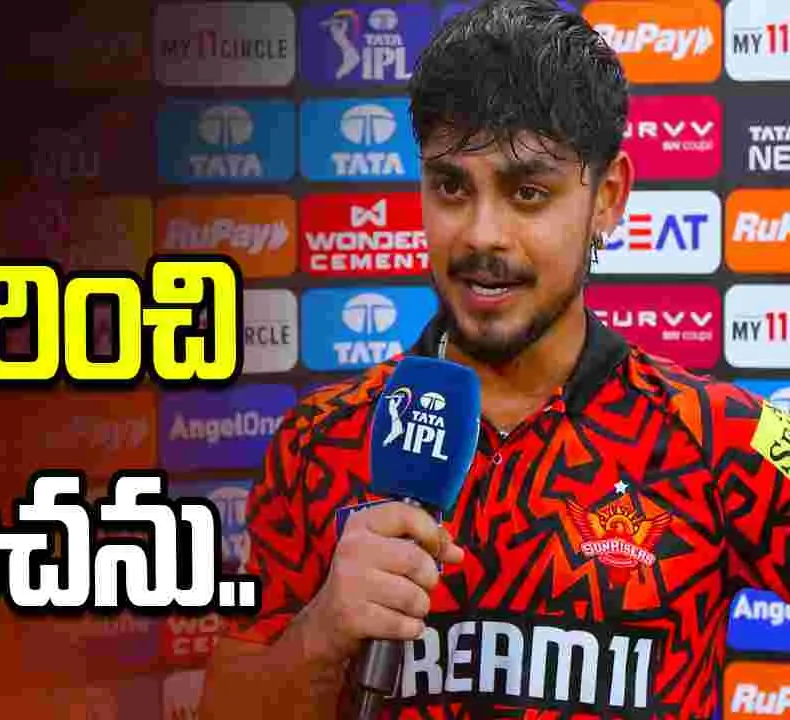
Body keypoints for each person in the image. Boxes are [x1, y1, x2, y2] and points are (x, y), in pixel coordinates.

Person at [198, 1, 790, 718]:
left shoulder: (728, 436)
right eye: (452, 187)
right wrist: (324, 630)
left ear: (607, 198)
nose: (483, 235)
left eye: (528, 193)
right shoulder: (317, 440)